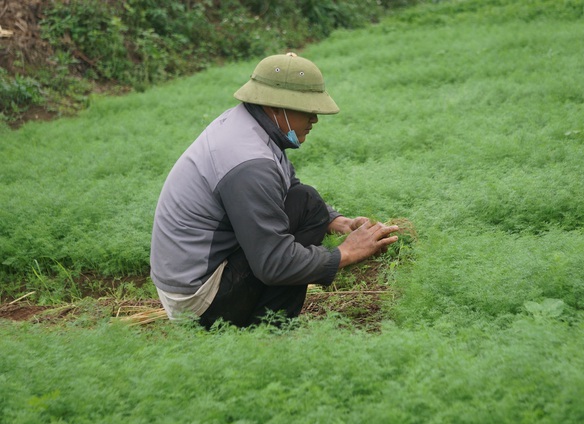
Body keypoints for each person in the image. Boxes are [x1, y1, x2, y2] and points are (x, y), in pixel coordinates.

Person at [150, 53, 399, 329]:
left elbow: (288, 187)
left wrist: (339, 223)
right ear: (277, 106)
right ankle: (265, 338)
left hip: (194, 277)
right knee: (285, 259)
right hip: (198, 300)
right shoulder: (249, 162)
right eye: (308, 109)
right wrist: (347, 253)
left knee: (308, 204)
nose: (315, 118)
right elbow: (274, 263)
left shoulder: (249, 125)